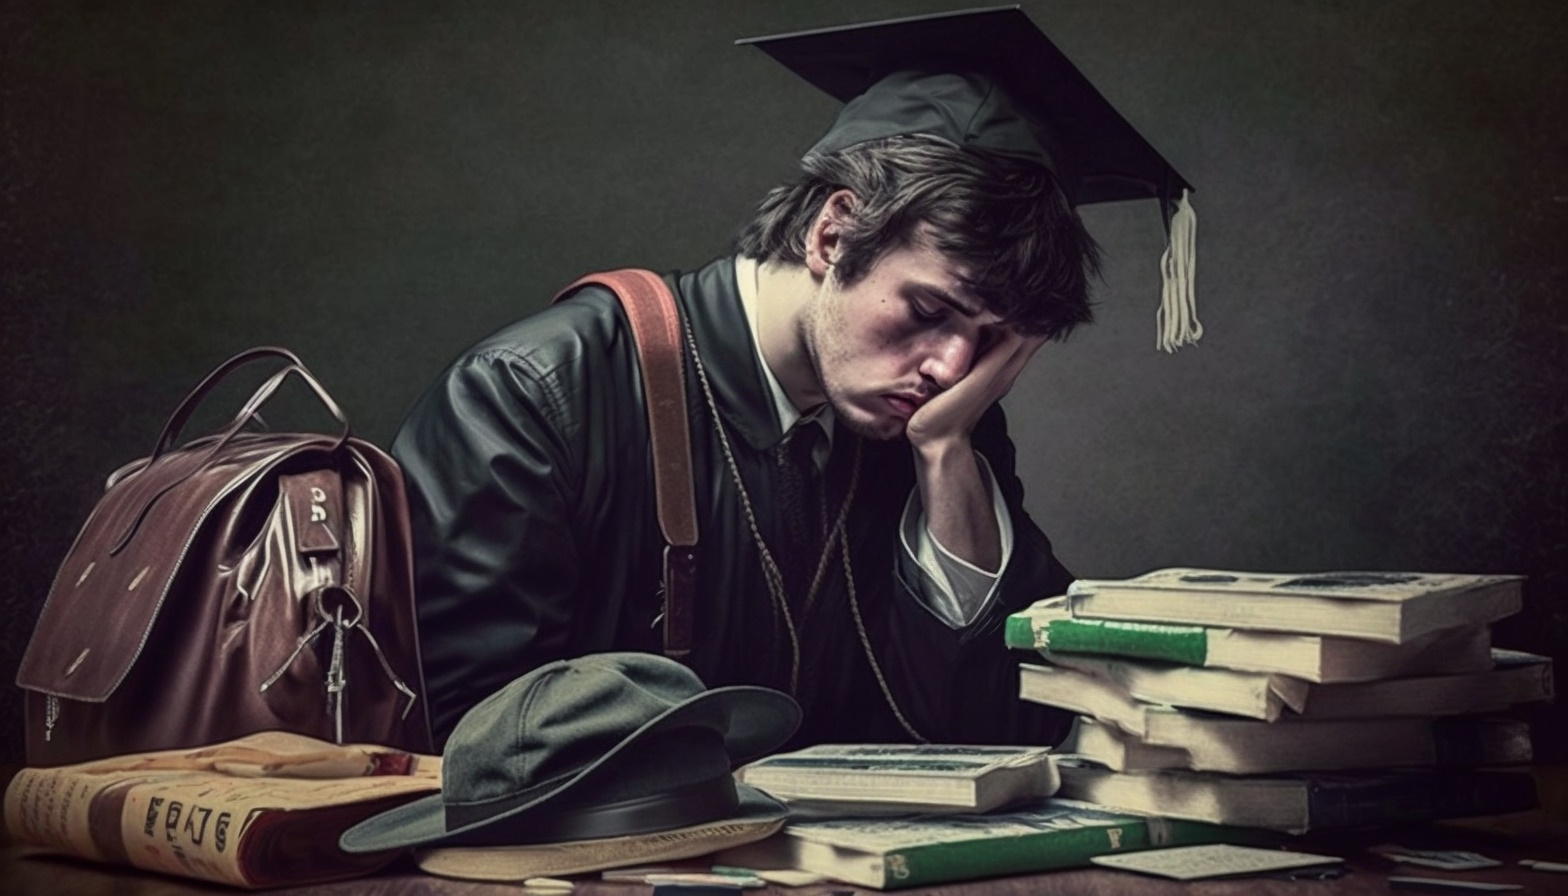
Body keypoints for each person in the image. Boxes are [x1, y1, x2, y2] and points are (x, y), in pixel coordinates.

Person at [392, 8, 1198, 748]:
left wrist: (950, 457)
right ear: (833, 233)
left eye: (994, 340)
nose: (953, 366)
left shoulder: (941, 420)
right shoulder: (538, 395)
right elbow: (466, 747)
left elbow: (1005, 732)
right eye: (929, 309)